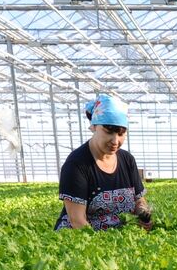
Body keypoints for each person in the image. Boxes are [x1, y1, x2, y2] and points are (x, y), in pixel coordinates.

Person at [55, 93, 153, 231]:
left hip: (119, 237)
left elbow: (139, 200)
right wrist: (102, 248)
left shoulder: (127, 160)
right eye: (108, 132)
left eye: (121, 134)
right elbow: (77, 220)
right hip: (82, 240)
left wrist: (142, 213)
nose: (115, 141)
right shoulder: (76, 164)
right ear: (94, 127)